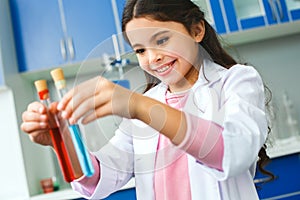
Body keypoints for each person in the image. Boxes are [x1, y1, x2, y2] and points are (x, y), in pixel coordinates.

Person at [21, 0, 274, 199]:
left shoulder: (236, 81)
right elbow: (99, 177)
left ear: (196, 30)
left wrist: (138, 106)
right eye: (140, 50)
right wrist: (61, 139)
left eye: (162, 40)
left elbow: (231, 151)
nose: (152, 58)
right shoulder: (146, 105)